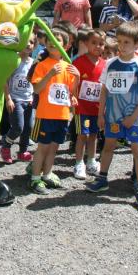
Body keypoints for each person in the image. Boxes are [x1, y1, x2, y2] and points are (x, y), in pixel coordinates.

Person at [86, 22, 138, 213]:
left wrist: (133, 117)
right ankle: (102, 179)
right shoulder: (110, 63)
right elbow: (104, 90)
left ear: (137, 43)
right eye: (120, 41)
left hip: (134, 118)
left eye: (127, 42)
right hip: (113, 117)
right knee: (108, 146)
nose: (122, 46)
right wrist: (101, 114)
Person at [28, 28, 78, 195]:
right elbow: (37, 89)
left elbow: (71, 91)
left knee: (53, 148)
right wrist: (49, 74)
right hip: (45, 115)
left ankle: (47, 174)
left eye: (57, 40)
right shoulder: (42, 65)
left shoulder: (68, 67)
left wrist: (77, 78)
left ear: (66, 45)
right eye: (50, 39)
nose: (52, 42)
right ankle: (35, 178)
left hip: (62, 115)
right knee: (42, 147)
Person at [72, 28, 106, 179]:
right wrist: (72, 100)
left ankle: (91, 161)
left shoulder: (105, 64)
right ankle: (79, 163)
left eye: (101, 43)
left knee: (93, 135)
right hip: (82, 108)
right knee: (82, 135)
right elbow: (72, 83)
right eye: (94, 43)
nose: (97, 46)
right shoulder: (79, 62)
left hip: (97, 109)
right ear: (86, 43)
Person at [2, 35, 36, 164]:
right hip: (15, 99)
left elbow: (35, 81)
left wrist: (34, 96)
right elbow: (4, 80)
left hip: (29, 100)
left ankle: (23, 151)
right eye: (25, 41)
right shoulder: (14, 60)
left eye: (31, 42)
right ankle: (6, 146)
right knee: (18, 127)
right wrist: (8, 99)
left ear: (35, 46)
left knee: (28, 128)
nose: (28, 44)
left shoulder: (34, 63)